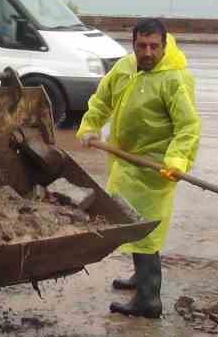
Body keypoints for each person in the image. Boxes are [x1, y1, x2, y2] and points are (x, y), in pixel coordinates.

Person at [78, 18, 202, 319]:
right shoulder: (124, 68)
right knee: (129, 221)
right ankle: (139, 277)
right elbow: (102, 100)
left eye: (154, 46)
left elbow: (188, 127)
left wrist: (175, 162)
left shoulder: (175, 79)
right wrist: (90, 126)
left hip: (155, 168)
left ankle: (149, 300)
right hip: (125, 161)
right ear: (132, 44)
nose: (147, 53)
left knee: (146, 230)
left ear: (165, 43)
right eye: (141, 46)